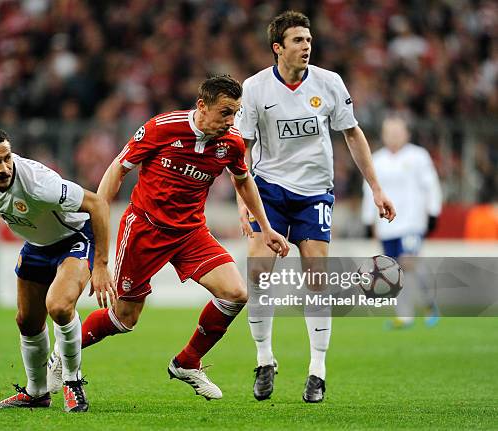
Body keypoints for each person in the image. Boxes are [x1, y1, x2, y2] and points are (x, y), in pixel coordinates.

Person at [47, 75, 290, 400]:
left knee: (235, 293)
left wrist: (266, 227)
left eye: (236, 113)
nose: (231, 122)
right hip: (145, 230)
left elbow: (243, 181)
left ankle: (188, 361)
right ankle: (64, 353)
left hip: (191, 232)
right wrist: (99, 237)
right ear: (202, 106)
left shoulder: (231, 143)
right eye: (225, 113)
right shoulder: (162, 127)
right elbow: (117, 169)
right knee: (125, 318)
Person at [234, 11, 396, 403]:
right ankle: (264, 359)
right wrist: (243, 199)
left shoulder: (329, 83)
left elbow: (352, 134)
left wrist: (376, 188)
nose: (306, 46)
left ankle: (317, 371)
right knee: (259, 277)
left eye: (308, 40)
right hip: (268, 189)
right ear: (278, 48)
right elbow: (243, 147)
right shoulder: (256, 88)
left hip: (315, 193)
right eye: (298, 41)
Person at [0, 127, 116, 412]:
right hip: (36, 244)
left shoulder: (40, 184)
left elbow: (98, 205)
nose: (4, 167)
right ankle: (36, 392)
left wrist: (102, 265)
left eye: (7, 158)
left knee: (59, 306)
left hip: (75, 238)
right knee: (27, 321)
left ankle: (72, 382)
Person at [362, 115, 442, 329]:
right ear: (383, 135)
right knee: (394, 269)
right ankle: (405, 316)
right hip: (387, 225)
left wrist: (433, 212)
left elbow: (431, 186)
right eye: (389, 133)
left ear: (407, 134)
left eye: (397, 132)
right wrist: (369, 220)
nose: (393, 137)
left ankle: (429, 304)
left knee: (409, 262)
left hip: (412, 222)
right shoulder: (376, 160)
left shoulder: (418, 156)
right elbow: (369, 191)